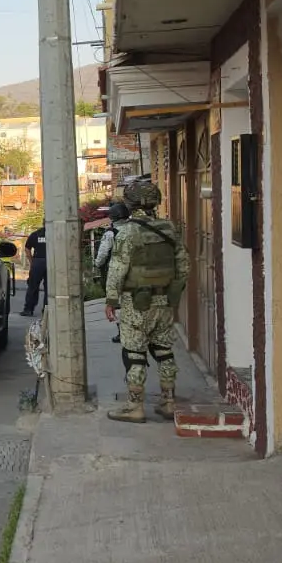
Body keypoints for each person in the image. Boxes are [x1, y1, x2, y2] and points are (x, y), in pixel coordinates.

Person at [104, 180, 191, 423]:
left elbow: (117, 268)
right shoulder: (169, 228)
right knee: (164, 351)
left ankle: (135, 406)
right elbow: (184, 265)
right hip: (164, 301)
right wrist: (174, 291)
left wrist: (111, 299)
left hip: (136, 302)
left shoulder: (128, 232)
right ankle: (169, 402)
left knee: (134, 354)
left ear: (129, 204)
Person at [95, 201, 133, 343]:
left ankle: (122, 332)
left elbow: (103, 254)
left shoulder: (111, 233)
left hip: (115, 271)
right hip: (134, 271)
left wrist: (97, 264)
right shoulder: (134, 229)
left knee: (115, 303)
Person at [21, 225, 48, 316]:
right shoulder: (55, 233)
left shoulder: (36, 234)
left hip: (38, 262)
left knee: (33, 286)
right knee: (50, 288)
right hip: (52, 262)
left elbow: (27, 248)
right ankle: (47, 310)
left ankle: (28, 309)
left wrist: (32, 261)